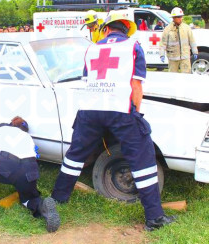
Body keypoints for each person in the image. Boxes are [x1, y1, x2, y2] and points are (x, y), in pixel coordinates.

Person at [51, 13, 176, 232]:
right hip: (120, 110)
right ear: (126, 29)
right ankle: (154, 218)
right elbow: (136, 87)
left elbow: (87, 82)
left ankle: (57, 199)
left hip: (89, 111)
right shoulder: (133, 47)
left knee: (75, 156)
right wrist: (135, 114)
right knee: (143, 160)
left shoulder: (92, 49)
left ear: (106, 29)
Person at [0, 117, 61, 233]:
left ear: (11, 124)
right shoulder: (27, 137)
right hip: (30, 170)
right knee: (28, 199)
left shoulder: (1, 130)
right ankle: (42, 207)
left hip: (8, 165)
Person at [159, 7, 198, 74]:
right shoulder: (168, 29)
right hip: (173, 57)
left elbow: (192, 41)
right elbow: (163, 43)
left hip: (185, 56)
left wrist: (195, 52)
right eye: (179, 17)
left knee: (186, 75)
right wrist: (162, 54)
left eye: (181, 17)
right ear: (174, 18)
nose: (181, 19)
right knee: (172, 75)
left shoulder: (186, 28)